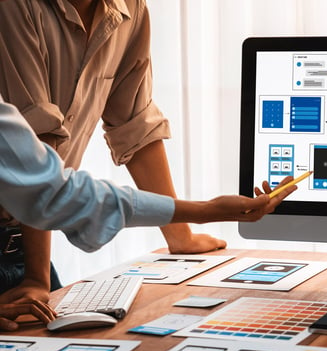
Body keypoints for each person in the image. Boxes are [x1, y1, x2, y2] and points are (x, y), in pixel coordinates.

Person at [0, 0, 231, 302]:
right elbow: (36, 146)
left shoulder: (130, 8)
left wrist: (180, 235)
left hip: (23, 246)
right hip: (31, 253)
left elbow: (135, 124)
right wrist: (37, 278)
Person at [0, 97, 297, 330]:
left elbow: (53, 187)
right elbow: (49, 191)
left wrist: (189, 226)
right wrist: (205, 211)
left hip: (22, 252)